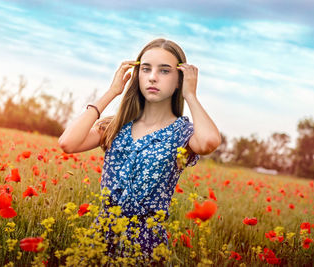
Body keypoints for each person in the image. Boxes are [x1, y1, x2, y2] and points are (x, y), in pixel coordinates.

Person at [58, 38, 221, 264]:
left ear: (179, 81)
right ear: (138, 76)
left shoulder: (182, 133)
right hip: (102, 236)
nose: (153, 76)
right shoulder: (116, 125)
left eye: (164, 71)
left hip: (146, 245)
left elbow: (210, 141)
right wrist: (112, 92)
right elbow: (68, 143)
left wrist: (190, 95)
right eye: (146, 69)